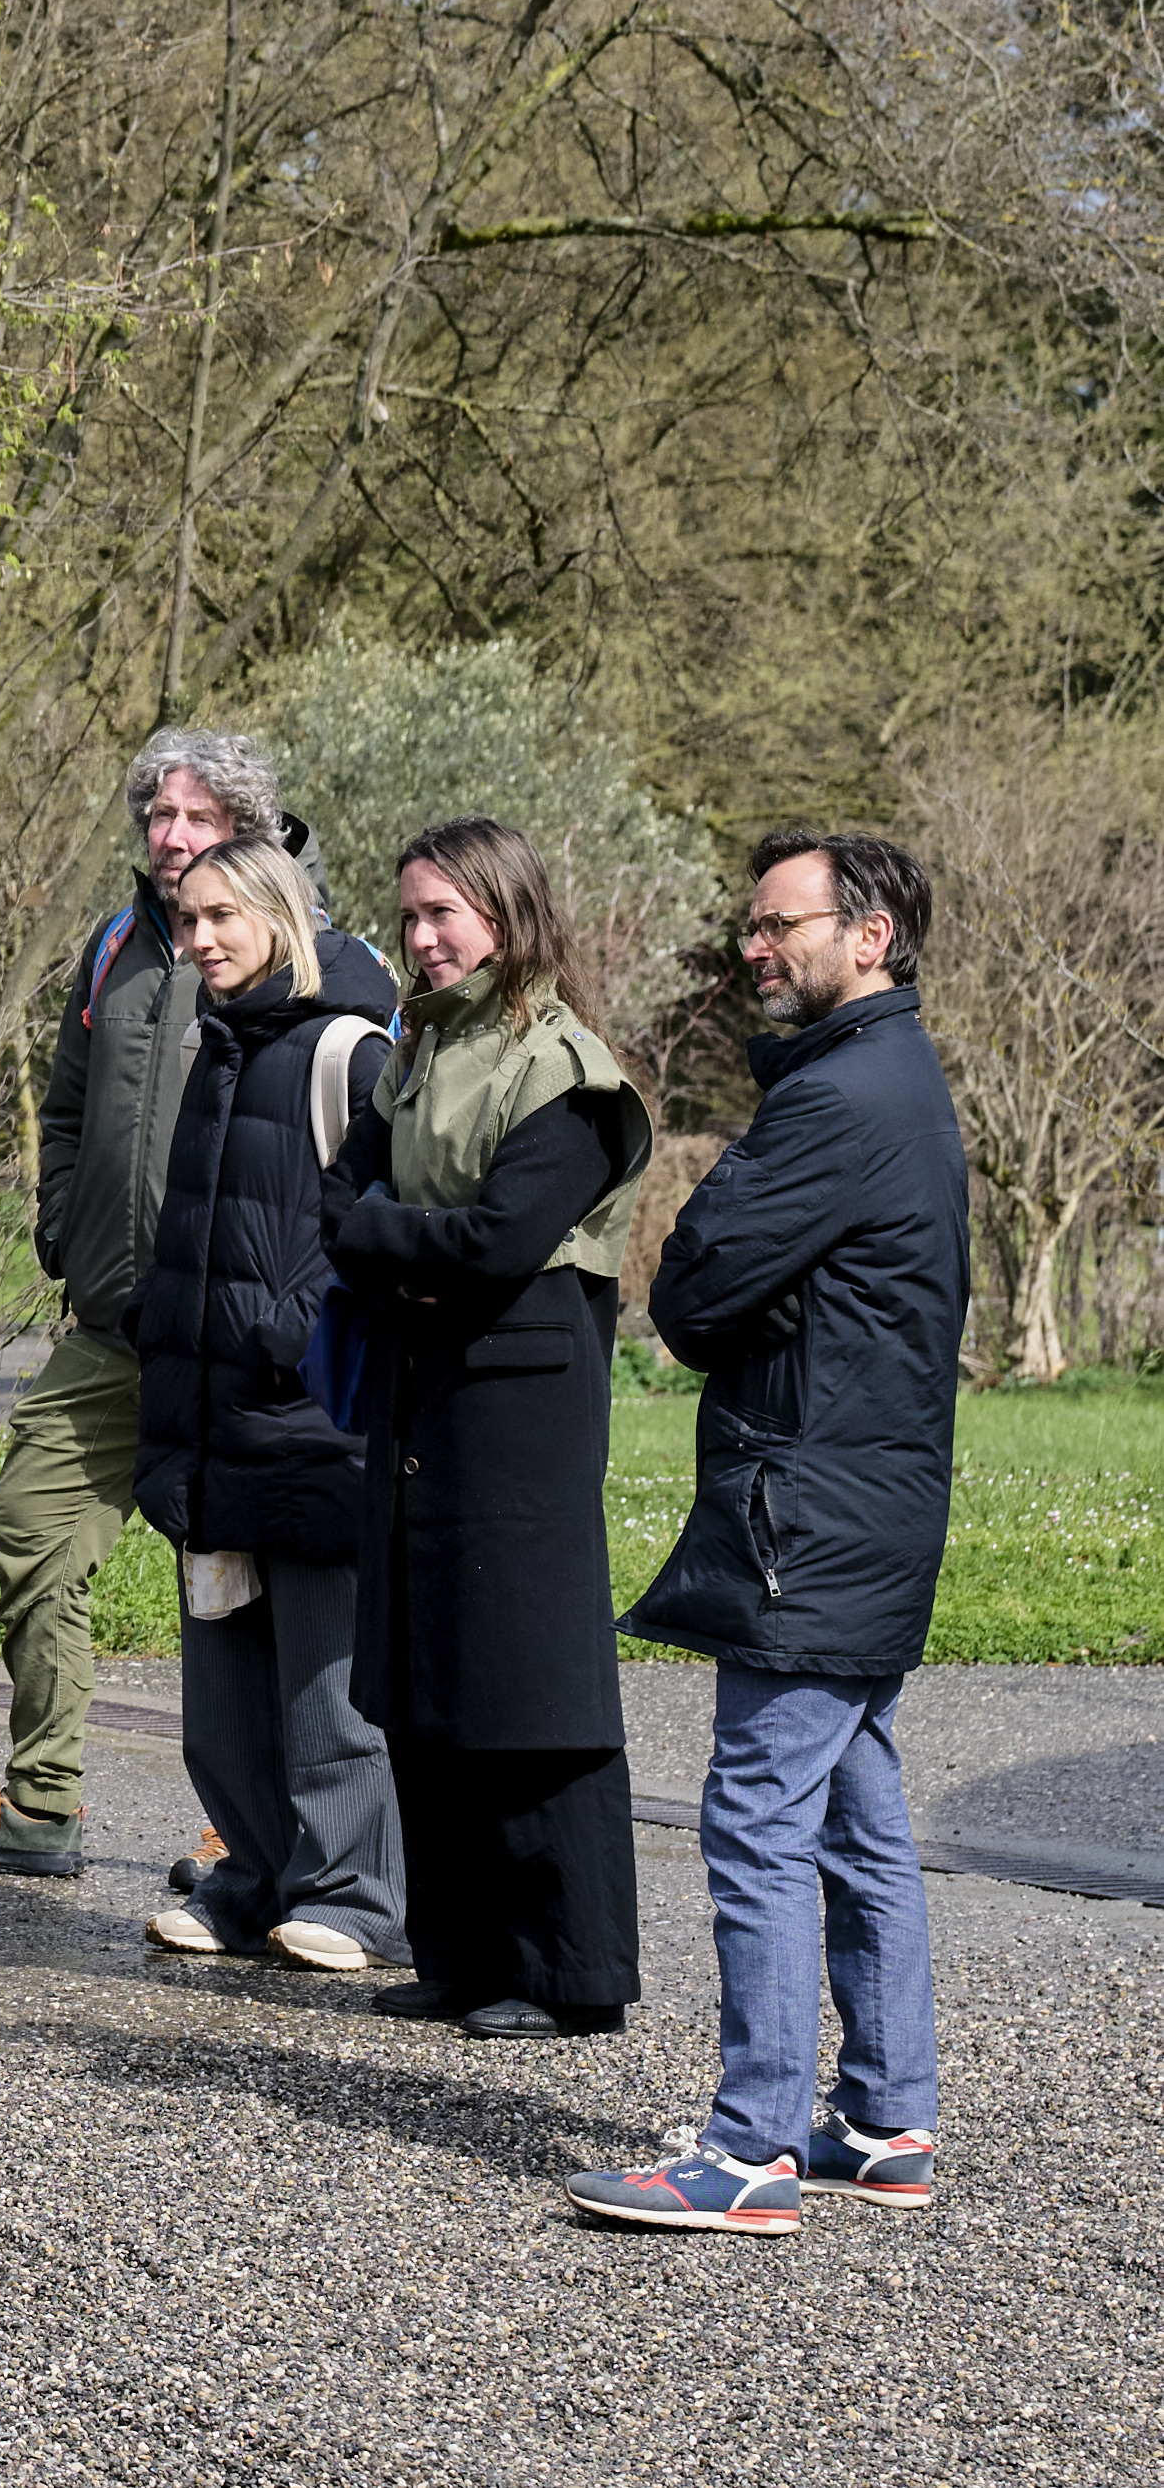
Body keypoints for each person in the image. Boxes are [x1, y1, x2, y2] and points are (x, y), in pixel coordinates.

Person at [0, 728, 397, 1875]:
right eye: (159, 816)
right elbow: (67, 1113)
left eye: (198, 817)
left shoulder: (318, 956)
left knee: (244, 1591)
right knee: (29, 1524)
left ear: (250, 832)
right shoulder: (116, 945)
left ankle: (254, 1832)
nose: (171, 837)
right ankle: (40, 1803)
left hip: (239, 1351)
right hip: (116, 1326)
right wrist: (64, 1229)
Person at [566, 831, 968, 2235]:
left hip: (808, 1508)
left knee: (753, 1812)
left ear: (867, 938)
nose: (754, 944)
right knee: (854, 1816)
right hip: (863, 1502)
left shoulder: (840, 1094)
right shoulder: (888, 1079)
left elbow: (693, 1279)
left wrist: (715, 1249)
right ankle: (883, 2115)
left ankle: (744, 2149)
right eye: (747, 923)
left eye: (777, 923)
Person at [319, 817, 654, 2042]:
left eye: (441, 914)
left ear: (505, 917)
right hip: (423, 1391)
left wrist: (389, 1248)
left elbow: (503, 1244)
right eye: (408, 915)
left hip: (518, 1408)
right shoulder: (417, 1048)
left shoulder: (566, 1069)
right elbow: (336, 1203)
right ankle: (460, 1953)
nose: (418, 936)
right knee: (425, 1675)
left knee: (529, 1694)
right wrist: (408, 1253)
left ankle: (568, 1973)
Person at [129, 833, 401, 1973]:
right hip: (213, 1423)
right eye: (187, 922)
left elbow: (385, 1230)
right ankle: (255, 1875)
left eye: (221, 920)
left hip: (311, 1422)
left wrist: (283, 1336)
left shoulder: (352, 1050)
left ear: (280, 917)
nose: (199, 941)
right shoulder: (215, 1047)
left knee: (326, 1684)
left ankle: (359, 1898)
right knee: (224, 1687)